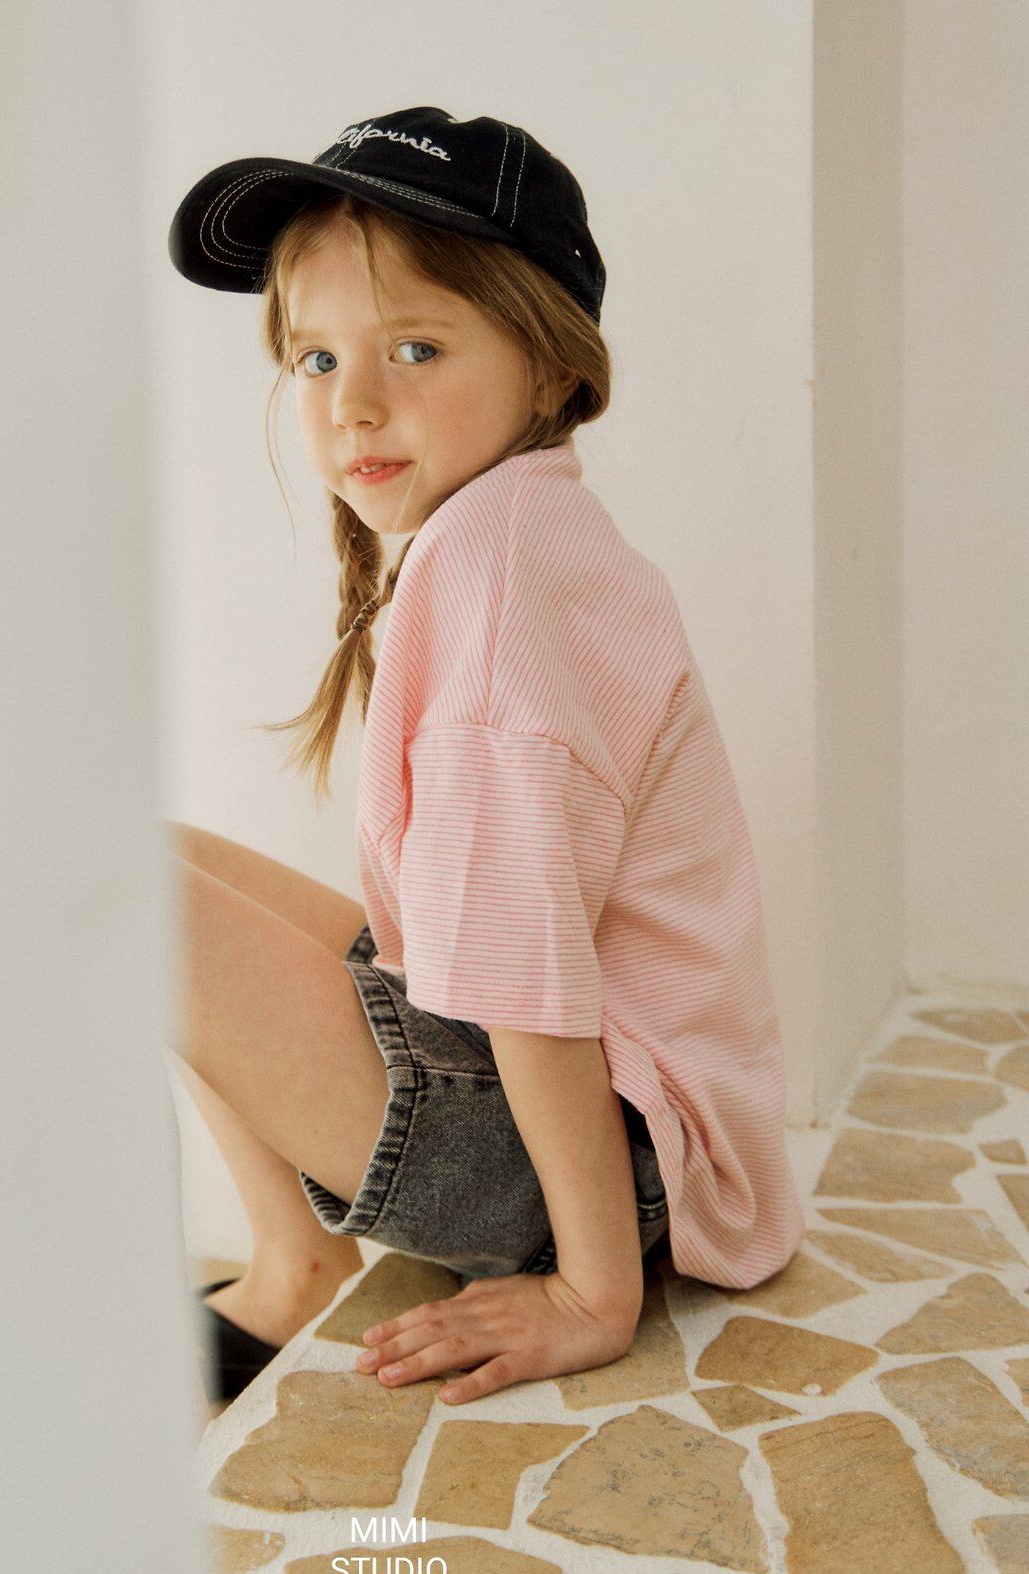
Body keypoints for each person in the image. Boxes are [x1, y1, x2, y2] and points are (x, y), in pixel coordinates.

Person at [166, 107, 807, 1406]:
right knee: (156, 861)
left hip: (602, 1160)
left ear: (549, 362)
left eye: (415, 347)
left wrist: (591, 1291)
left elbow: (526, 972)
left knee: (121, 895)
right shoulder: (518, 527)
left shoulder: (500, 586)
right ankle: (296, 1266)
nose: (354, 403)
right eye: (316, 358)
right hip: (612, 1114)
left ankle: (311, 1267)